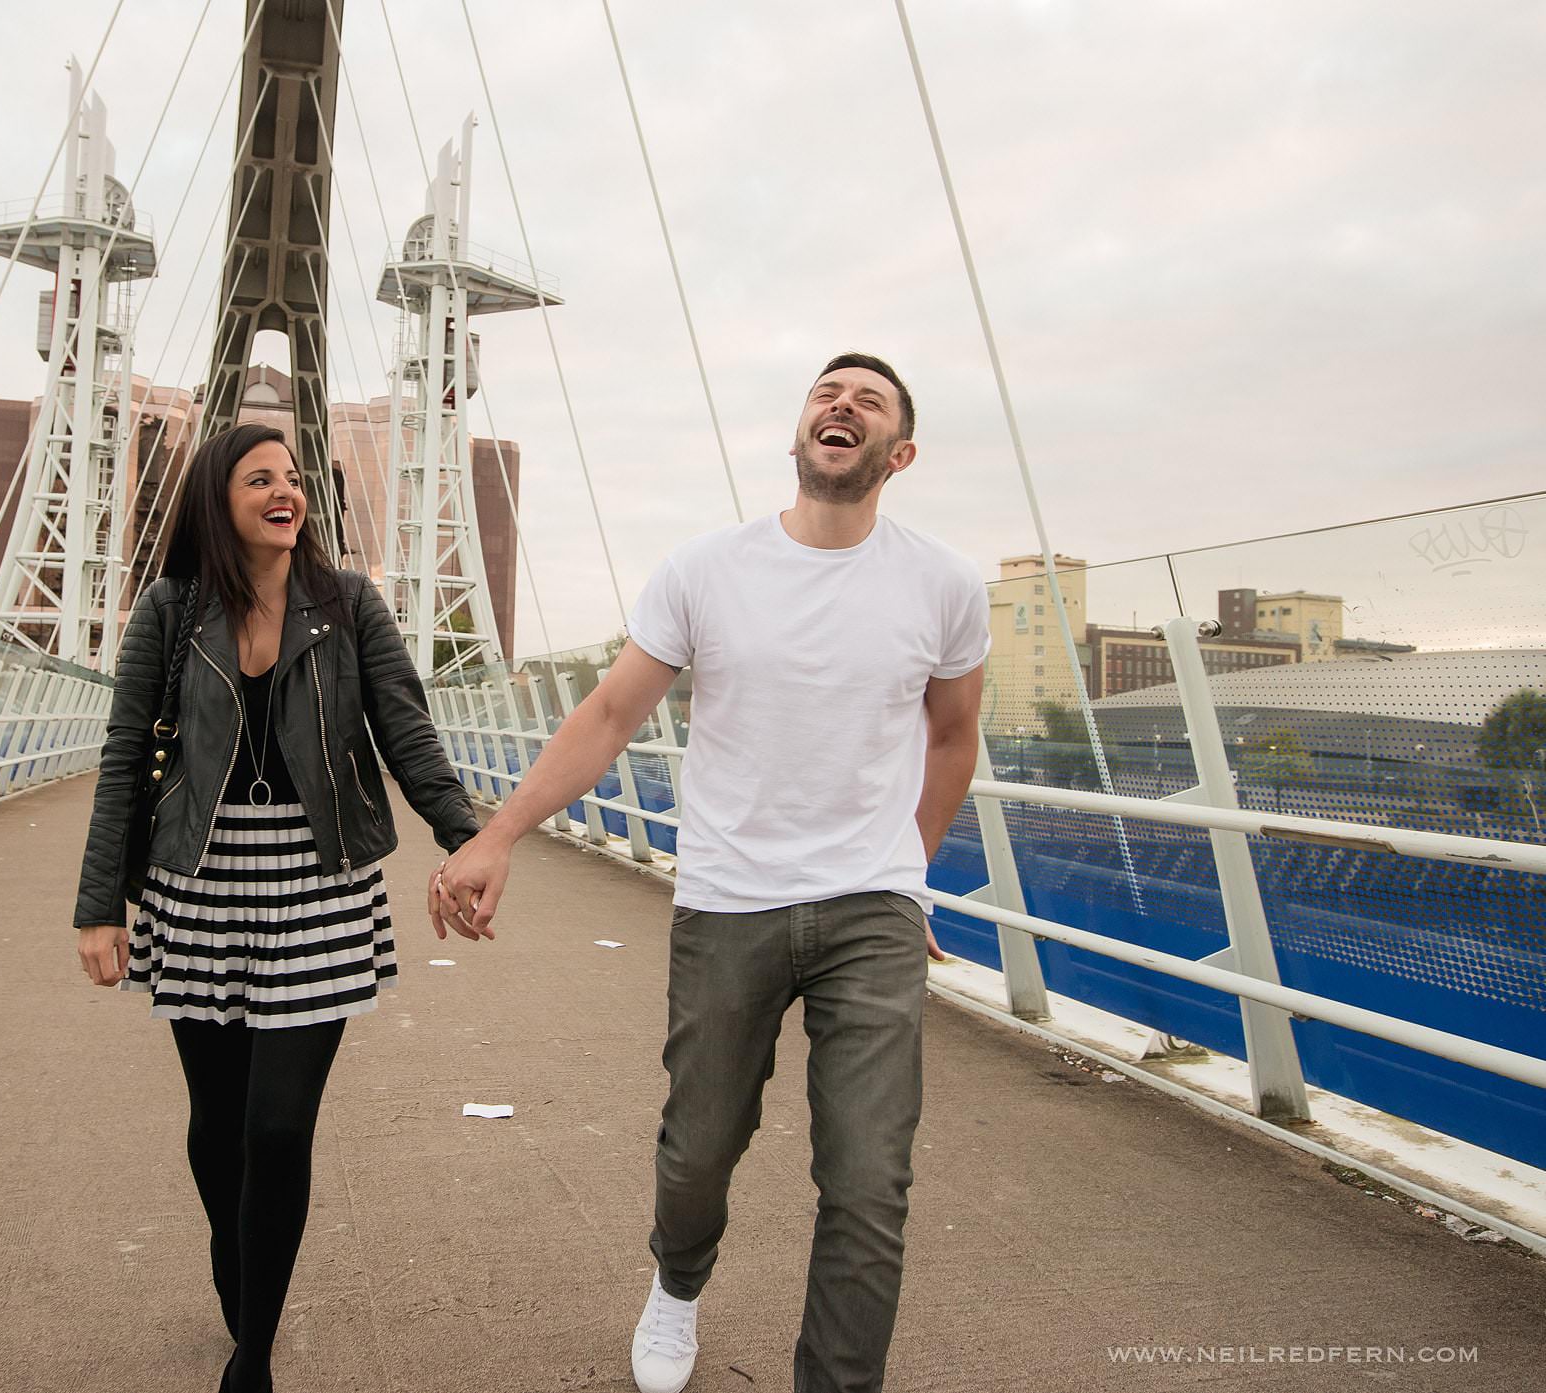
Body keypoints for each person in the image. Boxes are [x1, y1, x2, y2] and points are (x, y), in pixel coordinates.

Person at [429, 353, 988, 1393]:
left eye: (869, 401)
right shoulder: (706, 570)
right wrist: (496, 832)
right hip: (730, 898)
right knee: (699, 1149)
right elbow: (607, 716)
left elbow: (953, 738)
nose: (842, 405)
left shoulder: (945, 585)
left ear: (897, 453)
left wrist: (907, 874)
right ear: (798, 434)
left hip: (869, 902)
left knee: (870, 1178)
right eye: (828, 392)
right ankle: (676, 1285)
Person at [75, 422, 481, 1393]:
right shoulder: (170, 613)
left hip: (318, 890)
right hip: (198, 889)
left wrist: (473, 841)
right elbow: (124, 761)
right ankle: (240, 1262)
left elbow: (408, 735)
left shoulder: (347, 606)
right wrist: (100, 904)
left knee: (276, 1129)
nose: (284, 490)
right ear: (220, 499)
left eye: (293, 477)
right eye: (259, 478)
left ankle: (253, 1353)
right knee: (216, 1127)